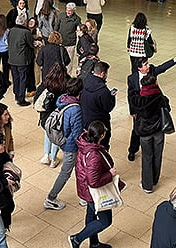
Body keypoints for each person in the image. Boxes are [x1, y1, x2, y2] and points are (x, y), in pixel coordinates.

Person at [69, 120, 123, 248]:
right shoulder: (94, 155)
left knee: (91, 216)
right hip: (93, 192)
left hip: (85, 189)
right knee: (105, 221)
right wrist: (110, 174)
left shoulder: (85, 144)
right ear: (101, 136)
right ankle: (76, 239)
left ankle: (94, 243)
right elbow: (94, 182)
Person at [127, 53, 176, 161]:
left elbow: (163, 67)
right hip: (141, 108)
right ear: (139, 68)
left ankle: (152, 148)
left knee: (154, 129)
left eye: (147, 63)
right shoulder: (132, 78)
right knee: (136, 130)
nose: (148, 66)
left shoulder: (152, 71)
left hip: (153, 105)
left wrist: (175, 59)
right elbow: (130, 95)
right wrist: (132, 111)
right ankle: (132, 150)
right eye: (145, 65)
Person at [44, 77, 84, 210]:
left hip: (63, 140)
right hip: (70, 146)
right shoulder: (76, 109)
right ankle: (51, 198)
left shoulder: (63, 99)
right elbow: (76, 133)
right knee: (65, 173)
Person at [134, 74, 170, 193]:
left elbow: (135, 112)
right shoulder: (160, 98)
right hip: (158, 130)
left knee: (147, 157)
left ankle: (147, 185)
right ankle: (155, 180)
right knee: (157, 155)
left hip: (145, 132)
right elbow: (167, 109)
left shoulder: (139, 98)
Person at [37, 62, 70, 168]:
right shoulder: (67, 83)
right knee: (56, 134)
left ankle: (46, 155)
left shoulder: (47, 82)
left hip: (46, 115)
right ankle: (53, 158)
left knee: (48, 132)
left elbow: (38, 96)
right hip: (59, 114)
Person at [80, 61, 116, 150]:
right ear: (103, 73)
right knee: (102, 146)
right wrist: (112, 97)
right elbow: (108, 107)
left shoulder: (85, 82)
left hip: (86, 121)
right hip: (100, 123)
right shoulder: (103, 91)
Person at [7, 14, 34, 106]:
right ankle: (21, 99)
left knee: (16, 78)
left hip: (12, 59)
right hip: (22, 60)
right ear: (24, 22)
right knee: (23, 79)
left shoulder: (11, 31)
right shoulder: (26, 32)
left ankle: (16, 94)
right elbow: (31, 44)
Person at [55, 2, 81, 76]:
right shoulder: (61, 16)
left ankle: (67, 76)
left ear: (74, 11)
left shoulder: (77, 19)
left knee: (69, 62)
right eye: (67, 10)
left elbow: (79, 31)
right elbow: (56, 28)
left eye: (70, 10)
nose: (68, 12)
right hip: (60, 43)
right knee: (59, 60)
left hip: (70, 44)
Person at [26, 16, 44, 95]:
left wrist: (39, 42)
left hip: (36, 53)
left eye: (33, 22)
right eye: (30, 22)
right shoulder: (25, 30)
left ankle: (36, 85)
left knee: (36, 70)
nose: (31, 23)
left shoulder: (37, 31)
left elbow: (41, 40)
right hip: (27, 54)